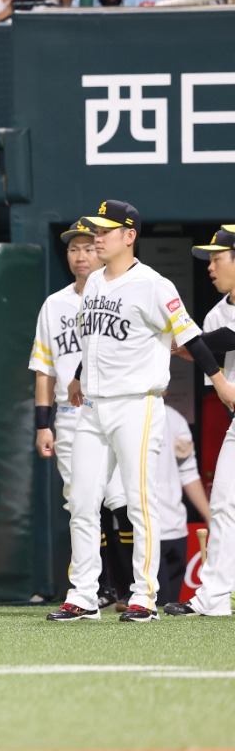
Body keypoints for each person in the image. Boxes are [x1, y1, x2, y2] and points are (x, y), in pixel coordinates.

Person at [49, 201, 235, 623]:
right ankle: (83, 594)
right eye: (95, 231)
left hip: (137, 403)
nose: (97, 238)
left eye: (106, 231)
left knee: (139, 502)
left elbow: (191, 337)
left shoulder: (154, 284)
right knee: (81, 500)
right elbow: (92, 340)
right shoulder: (93, 283)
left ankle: (144, 596)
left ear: (129, 235)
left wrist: (221, 382)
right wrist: (76, 376)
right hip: (93, 406)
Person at [29, 220, 133, 612]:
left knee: (122, 500)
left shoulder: (123, 293)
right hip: (71, 415)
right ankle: (98, 589)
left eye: (88, 247)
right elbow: (44, 369)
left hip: (115, 408)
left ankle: (135, 587)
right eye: (74, 249)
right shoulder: (55, 304)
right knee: (82, 503)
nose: (81, 256)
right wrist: (43, 424)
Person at [166, 226, 235, 618]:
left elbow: (226, 339)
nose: (210, 267)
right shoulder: (215, 313)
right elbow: (216, 368)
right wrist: (192, 344)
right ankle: (213, 596)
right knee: (223, 503)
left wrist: (191, 341)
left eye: (217, 258)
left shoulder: (212, 325)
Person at [147, 401, 208, 605]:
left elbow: (188, 472)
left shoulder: (173, 417)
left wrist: (209, 517)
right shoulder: (125, 414)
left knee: (170, 606)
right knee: (153, 605)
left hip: (177, 528)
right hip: (144, 530)